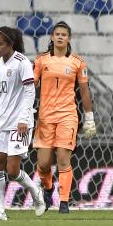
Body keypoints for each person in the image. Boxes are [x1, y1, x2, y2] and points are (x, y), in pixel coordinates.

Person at [0, 26, 45, 221]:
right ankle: (0, 210)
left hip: (19, 123)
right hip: (0, 122)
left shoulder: (22, 63)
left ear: (10, 44)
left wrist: (25, 119)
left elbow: (29, 92)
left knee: (13, 170)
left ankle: (35, 191)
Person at [33, 21, 95, 214]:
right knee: (43, 165)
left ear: (69, 38)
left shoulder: (77, 62)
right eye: (57, 34)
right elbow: (31, 86)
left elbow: (84, 91)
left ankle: (65, 202)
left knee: (62, 159)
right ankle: (49, 188)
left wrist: (89, 118)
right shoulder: (41, 60)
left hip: (68, 115)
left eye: (64, 34)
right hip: (45, 117)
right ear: (52, 37)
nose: (60, 37)